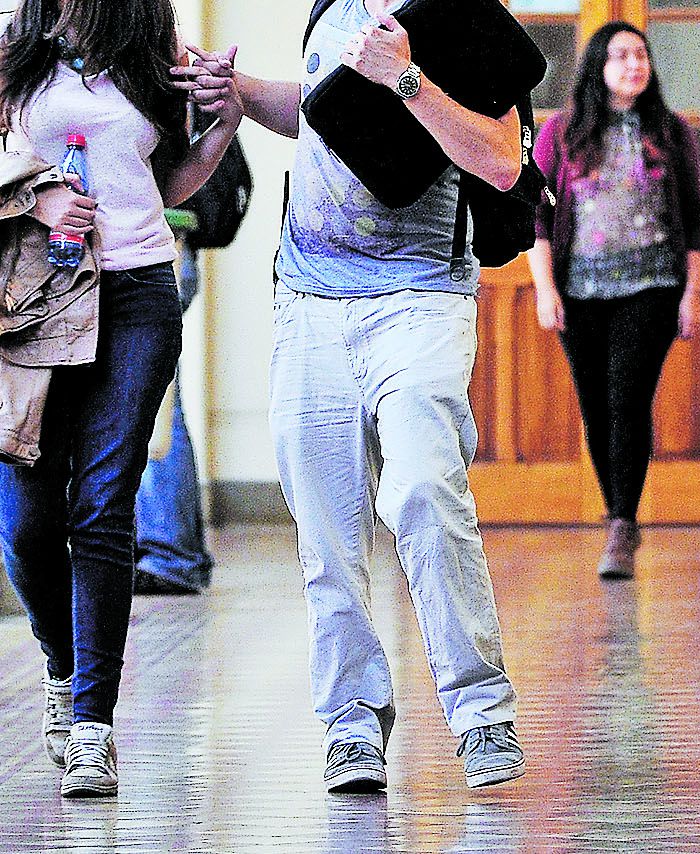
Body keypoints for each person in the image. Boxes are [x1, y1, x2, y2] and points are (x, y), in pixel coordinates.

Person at [174, 0, 526, 793]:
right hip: (309, 301)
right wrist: (240, 92)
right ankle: (352, 724)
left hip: (421, 296)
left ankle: (480, 713)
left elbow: (501, 161)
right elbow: (323, 113)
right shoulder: (331, 8)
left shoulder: (462, 17)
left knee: (426, 490)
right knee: (326, 528)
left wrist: (405, 77)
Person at [0, 0, 240, 797]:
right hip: (37, 292)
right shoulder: (14, 50)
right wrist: (34, 200)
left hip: (136, 289)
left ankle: (93, 725)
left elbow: (170, 177)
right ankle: (61, 664)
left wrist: (222, 123)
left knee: (103, 503)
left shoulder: (152, 49)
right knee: (29, 522)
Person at [528, 21, 700, 580]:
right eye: (621, 56)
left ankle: (623, 524)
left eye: (641, 55)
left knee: (627, 399)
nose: (634, 65)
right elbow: (535, 214)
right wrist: (545, 289)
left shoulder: (671, 132)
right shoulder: (561, 133)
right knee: (596, 407)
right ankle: (616, 514)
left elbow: (698, 219)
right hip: (579, 293)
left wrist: (691, 295)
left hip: (652, 287)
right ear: (597, 69)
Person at [133, 233, 213, 595]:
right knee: (156, 407)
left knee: (151, 410)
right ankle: (176, 552)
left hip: (150, 248)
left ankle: (171, 554)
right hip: (160, 247)